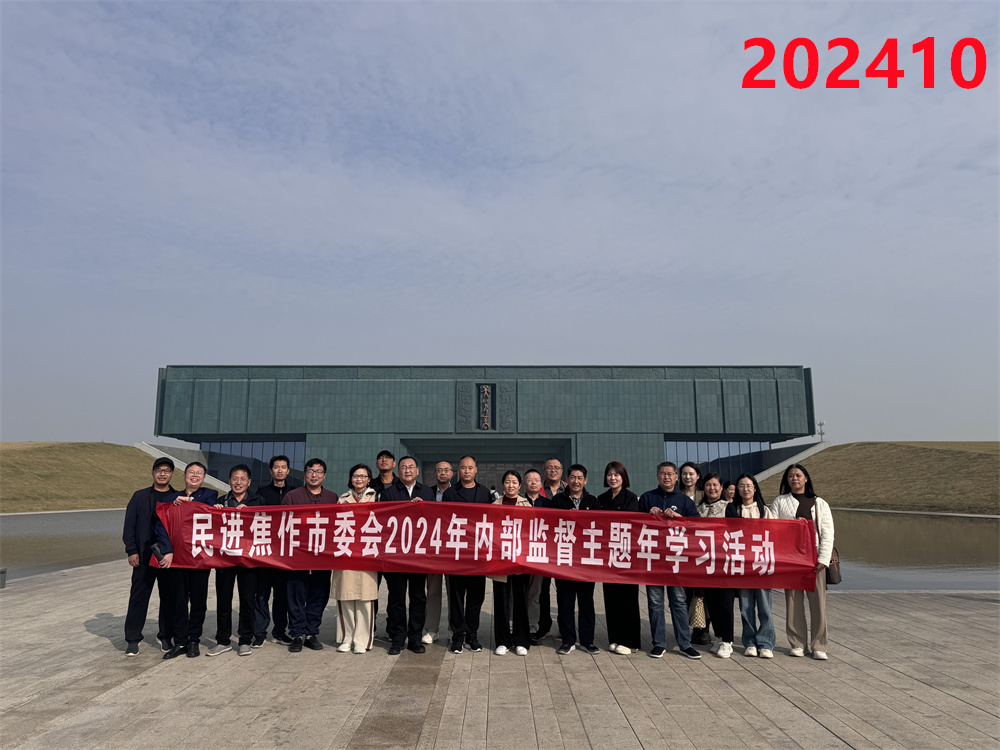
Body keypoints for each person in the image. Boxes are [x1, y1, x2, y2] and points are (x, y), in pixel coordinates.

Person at [639, 461, 701, 660]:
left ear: (676, 477)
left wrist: (678, 517)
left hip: (677, 559)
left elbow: (697, 526)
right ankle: (658, 643)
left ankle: (684, 644)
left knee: (679, 601)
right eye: (662, 473)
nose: (666, 477)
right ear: (657, 476)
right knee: (655, 602)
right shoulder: (647, 498)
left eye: (670, 473)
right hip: (654, 559)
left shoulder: (684, 501)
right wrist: (648, 516)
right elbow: (634, 525)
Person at [771, 464, 834, 661]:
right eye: (790, 476)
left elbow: (827, 533)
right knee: (793, 602)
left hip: (814, 559)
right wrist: (793, 525)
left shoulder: (819, 503)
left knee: (818, 604)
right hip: (791, 559)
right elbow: (772, 528)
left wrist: (823, 559)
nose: (794, 479)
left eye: (798, 475)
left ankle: (819, 645)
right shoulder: (780, 501)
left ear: (806, 478)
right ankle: (797, 643)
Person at [160, 462, 219, 659]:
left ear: (204, 477)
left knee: (198, 601)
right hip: (177, 559)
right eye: (191, 472)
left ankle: (194, 640)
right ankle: (180, 641)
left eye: (199, 473)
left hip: (199, 559)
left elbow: (209, 511)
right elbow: (161, 526)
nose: (195, 475)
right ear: (184, 476)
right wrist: (167, 551)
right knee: (178, 601)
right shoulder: (170, 499)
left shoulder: (210, 495)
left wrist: (188, 503)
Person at [282, 458, 339, 652]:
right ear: (305, 474)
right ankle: (297, 633)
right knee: (295, 594)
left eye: (319, 472)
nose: (314, 475)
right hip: (297, 555)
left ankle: (311, 632)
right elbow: (283, 523)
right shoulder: (292, 496)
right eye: (310, 471)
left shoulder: (332, 497)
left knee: (319, 593)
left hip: (322, 555)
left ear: (324, 475)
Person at [379, 456, 434, 655]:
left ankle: (415, 639)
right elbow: (383, 520)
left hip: (419, 555)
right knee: (396, 599)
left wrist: (423, 507)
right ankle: (397, 638)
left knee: (418, 597)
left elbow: (435, 519)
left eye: (411, 467)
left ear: (417, 471)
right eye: (404, 467)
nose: (408, 470)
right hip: (396, 555)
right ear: (398, 471)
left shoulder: (427, 492)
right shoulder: (389, 493)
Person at [122, 457, 177, 656]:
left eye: (167, 470)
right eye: (159, 470)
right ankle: (133, 638)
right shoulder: (139, 496)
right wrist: (132, 550)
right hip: (144, 555)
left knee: (168, 598)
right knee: (138, 597)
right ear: (152, 473)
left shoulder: (177, 497)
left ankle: (166, 636)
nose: (162, 474)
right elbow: (129, 525)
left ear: (172, 474)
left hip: (167, 556)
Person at [207, 464, 262, 657]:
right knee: (223, 599)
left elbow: (268, 526)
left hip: (248, 559)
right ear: (229, 481)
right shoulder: (221, 501)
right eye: (235, 478)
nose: (238, 482)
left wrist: (251, 512)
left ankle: (245, 640)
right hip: (225, 559)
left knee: (247, 600)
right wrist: (215, 512)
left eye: (242, 479)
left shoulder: (258, 502)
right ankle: (223, 640)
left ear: (249, 482)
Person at [443, 455, 492, 654]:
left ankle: (472, 635)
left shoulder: (485, 493)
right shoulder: (450, 493)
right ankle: (457, 636)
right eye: (463, 467)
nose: (467, 471)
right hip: (456, 553)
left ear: (476, 470)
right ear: (458, 470)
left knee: (475, 597)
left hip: (478, 554)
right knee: (456, 597)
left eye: (470, 467)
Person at [551, 464, 601, 655]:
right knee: (565, 601)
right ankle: (568, 640)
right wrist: (567, 517)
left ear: (585, 480)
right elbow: (551, 525)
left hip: (586, 559)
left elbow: (600, 527)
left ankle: (587, 641)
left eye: (580, 478)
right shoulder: (558, 501)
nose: (576, 481)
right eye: (572, 477)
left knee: (586, 602)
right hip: (564, 558)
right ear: (567, 479)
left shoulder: (593, 501)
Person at [726, 473, 775, 659]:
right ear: (736, 489)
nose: (745, 489)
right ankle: (750, 642)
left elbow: (775, 534)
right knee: (746, 606)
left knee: (764, 606)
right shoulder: (733, 510)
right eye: (741, 486)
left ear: (755, 488)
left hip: (761, 563)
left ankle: (766, 643)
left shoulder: (764, 510)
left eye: (748, 485)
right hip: (742, 565)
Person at [596, 461, 641, 655]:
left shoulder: (631, 498)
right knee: (611, 597)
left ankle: (630, 641)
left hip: (626, 555)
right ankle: (614, 638)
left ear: (624, 477)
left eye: (616, 475)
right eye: (609, 475)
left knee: (628, 598)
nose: (612, 478)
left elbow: (631, 523)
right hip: (608, 555)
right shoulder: (601, 499)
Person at [334, 464, 378, 654]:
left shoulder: (377, 497)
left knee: (365, 599)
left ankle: (362, 640)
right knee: (345, 596)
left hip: (367, 553)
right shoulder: (341, 499)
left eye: (363, 476)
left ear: (369, 479)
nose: (359, 479)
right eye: (355, 476)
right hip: (346, 553)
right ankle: (347, 638)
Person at [254, 455, 295, 646]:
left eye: (283, 467)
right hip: (265, 552)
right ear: (271, 471)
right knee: (262, 594)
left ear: (288, 471)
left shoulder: (294, 493)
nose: (280, 470)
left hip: (285, 553)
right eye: (276, 467)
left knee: (282, 595)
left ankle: (279, 631)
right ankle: (259, 633)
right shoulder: (261, 493)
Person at [491, 470, 532, 656]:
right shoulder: (495, 505)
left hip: (520, 560)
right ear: (503, 485)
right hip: (500, 560)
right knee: (501, 601)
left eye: (514, 482)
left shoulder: (527, 504)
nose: (511, 485)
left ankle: (521, 640)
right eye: (508, 482)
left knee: (520, 601)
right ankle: (502, 641)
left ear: (520, 485)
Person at [697, 472, 736, 658]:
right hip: (705, 562)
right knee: (711, 602)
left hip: (724, 562)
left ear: (721, 487)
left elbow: (738, 531)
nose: (711, 488)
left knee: (725, 602)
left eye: (715, 485)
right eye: (708, 485)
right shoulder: (699, 509)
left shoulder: (728, 507)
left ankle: (728, 640)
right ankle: (719, 636)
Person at [529, 458, 564, 644]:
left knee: (563, 589)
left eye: (556, 468)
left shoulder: (570, 489)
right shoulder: (538, 491)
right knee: (542, 590)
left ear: (561, 471)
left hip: (563, 547)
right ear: (544, 471)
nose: (553, 470)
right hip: (542, 548)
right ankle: (543, 626)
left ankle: (565, 627)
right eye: (549, 467)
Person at [678, 461, 710, 645]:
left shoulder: (705, 494)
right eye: (684, 474)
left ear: (698, 476)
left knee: (703, 590)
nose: (687, 477)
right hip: (682, 548)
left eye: (691, 474)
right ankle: (689, 627)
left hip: (703, 548)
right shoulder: (676, 496)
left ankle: (703, 629)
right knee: (686, 591)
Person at [422, 460, 454, 645]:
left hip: (452, 548)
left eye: (446, 470)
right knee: (433, 590)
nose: (443, 473)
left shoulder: (457, 493)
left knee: (453, 591)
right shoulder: (426, 493)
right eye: (439, 470)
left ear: (452, 473)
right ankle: (431, 630)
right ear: (435, 473)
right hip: (432, 549)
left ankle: (453, 629)